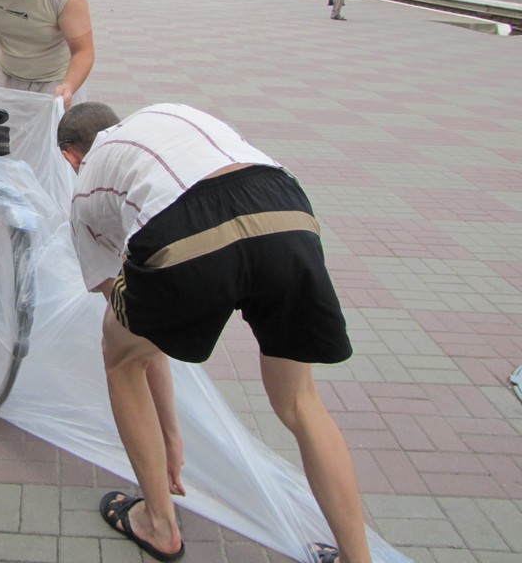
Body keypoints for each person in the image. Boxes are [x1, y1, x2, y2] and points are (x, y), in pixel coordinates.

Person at [57, 102, 373, 563]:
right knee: (300, 402)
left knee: (120, 356)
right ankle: (356, 559)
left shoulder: (86, 192)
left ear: (69, 156)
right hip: (284, 207)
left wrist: (170, 437)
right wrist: (170, 434)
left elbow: (141, 339)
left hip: (184, 222)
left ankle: (159, 524)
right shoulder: (165, 113)